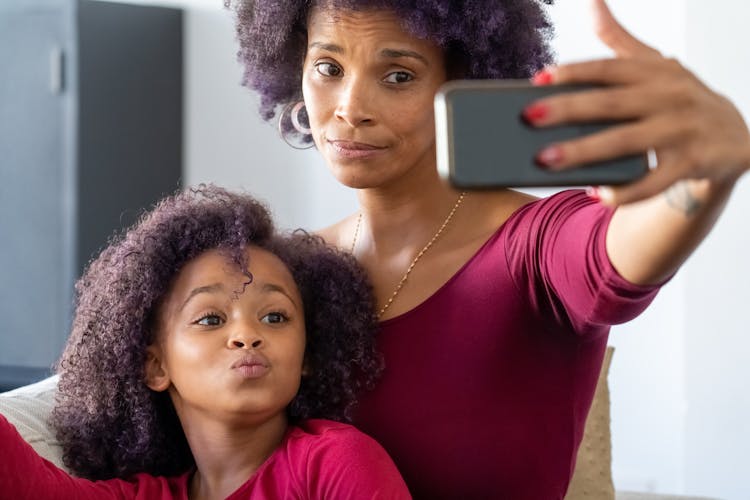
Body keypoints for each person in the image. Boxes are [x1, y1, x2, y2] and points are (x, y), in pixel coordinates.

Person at [227, 0, 750, 498]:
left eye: (399, 76)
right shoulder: (288, 273)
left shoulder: (534, 244)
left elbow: (610, 260)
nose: (350, 108)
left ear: (463, 85)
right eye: (328, 67)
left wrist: (704, 179)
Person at [0, 185, 410, 499]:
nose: (247, 335)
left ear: (308, 353)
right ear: (155, 366)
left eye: (275, 317)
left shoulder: (334, 462)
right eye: (211, 319)